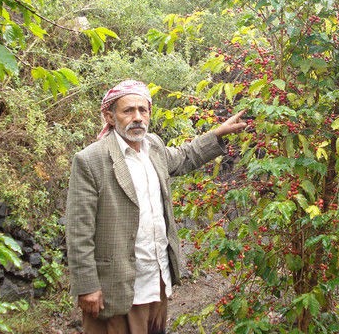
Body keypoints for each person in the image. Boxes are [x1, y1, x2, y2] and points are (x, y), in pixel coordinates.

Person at [66, 79, 246, 334]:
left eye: (143, 110)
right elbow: (78, 230)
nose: (137, 117)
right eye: (128, 110)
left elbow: (185, 156)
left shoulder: (154, 147)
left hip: (157, 280)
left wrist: (218, 133)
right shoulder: (91, 160)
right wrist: (87, 286)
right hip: (116, 286)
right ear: (109, 116)